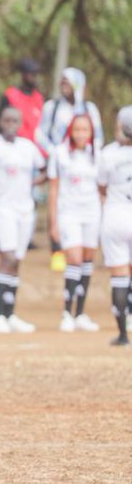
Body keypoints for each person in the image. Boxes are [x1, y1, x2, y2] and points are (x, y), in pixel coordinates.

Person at [0, 106, 46, 334]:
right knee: (6, 256)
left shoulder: (28, 147)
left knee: (16, 259)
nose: (11, 125)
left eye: (15, 120)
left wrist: (32, 184)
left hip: (24, 210)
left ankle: (10, 313)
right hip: (0, 208)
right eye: (7, 120)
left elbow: (45, 169)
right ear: (0, 122)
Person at [49, 113, 102, 333]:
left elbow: (102, 186)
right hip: (69, 212)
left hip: (92, 212)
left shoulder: (97, 154)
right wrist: (53, 222)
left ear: (91, 132)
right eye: (77, 129)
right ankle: (66, 312)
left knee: (88, 260)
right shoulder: (60, 154)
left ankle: (80, 312)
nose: (81, 134)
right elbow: (54, 188)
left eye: (85, 130)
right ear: (70, 130)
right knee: (74, 259)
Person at [98, 107, 132, 346]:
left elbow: (101, 186)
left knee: (119, 277)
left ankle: (122, 334)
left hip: (116, 216)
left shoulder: (108, 154)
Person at [0, 57, 45, 147]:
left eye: (36, 74)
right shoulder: (10, 95)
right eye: (32, 74)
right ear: (24, 75)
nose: (35, 77)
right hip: (13, 145)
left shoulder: (39, 98)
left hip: (35, 147)